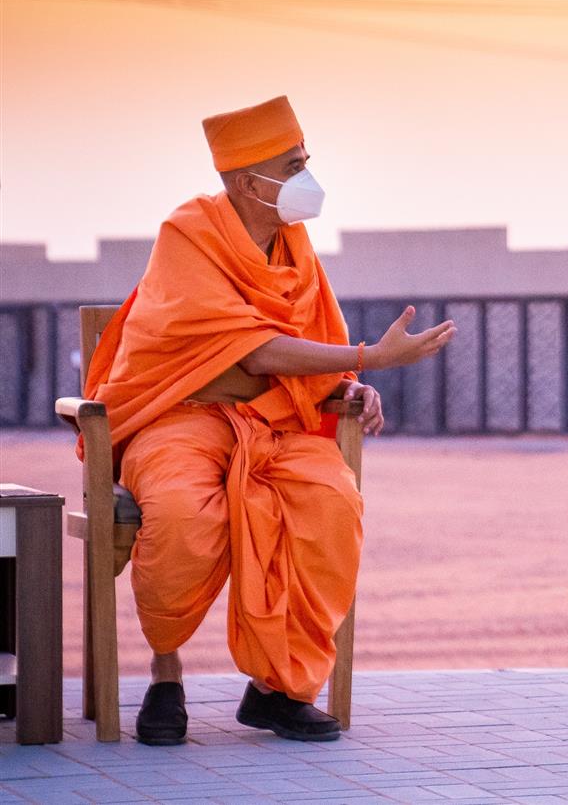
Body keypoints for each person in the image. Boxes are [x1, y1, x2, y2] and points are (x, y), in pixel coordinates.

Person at [83, 95, 456, 745]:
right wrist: (369, 356)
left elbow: (310, 342)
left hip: (276, 422)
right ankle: (166, 672)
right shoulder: (188, 233)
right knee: (183, 514)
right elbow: (256, 350)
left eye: (305, 161)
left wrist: (350, 384)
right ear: (246, 181)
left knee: (331, 504)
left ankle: (279, 690)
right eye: (292, 165)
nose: (307, 177)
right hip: (179, 417)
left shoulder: (293, 245)